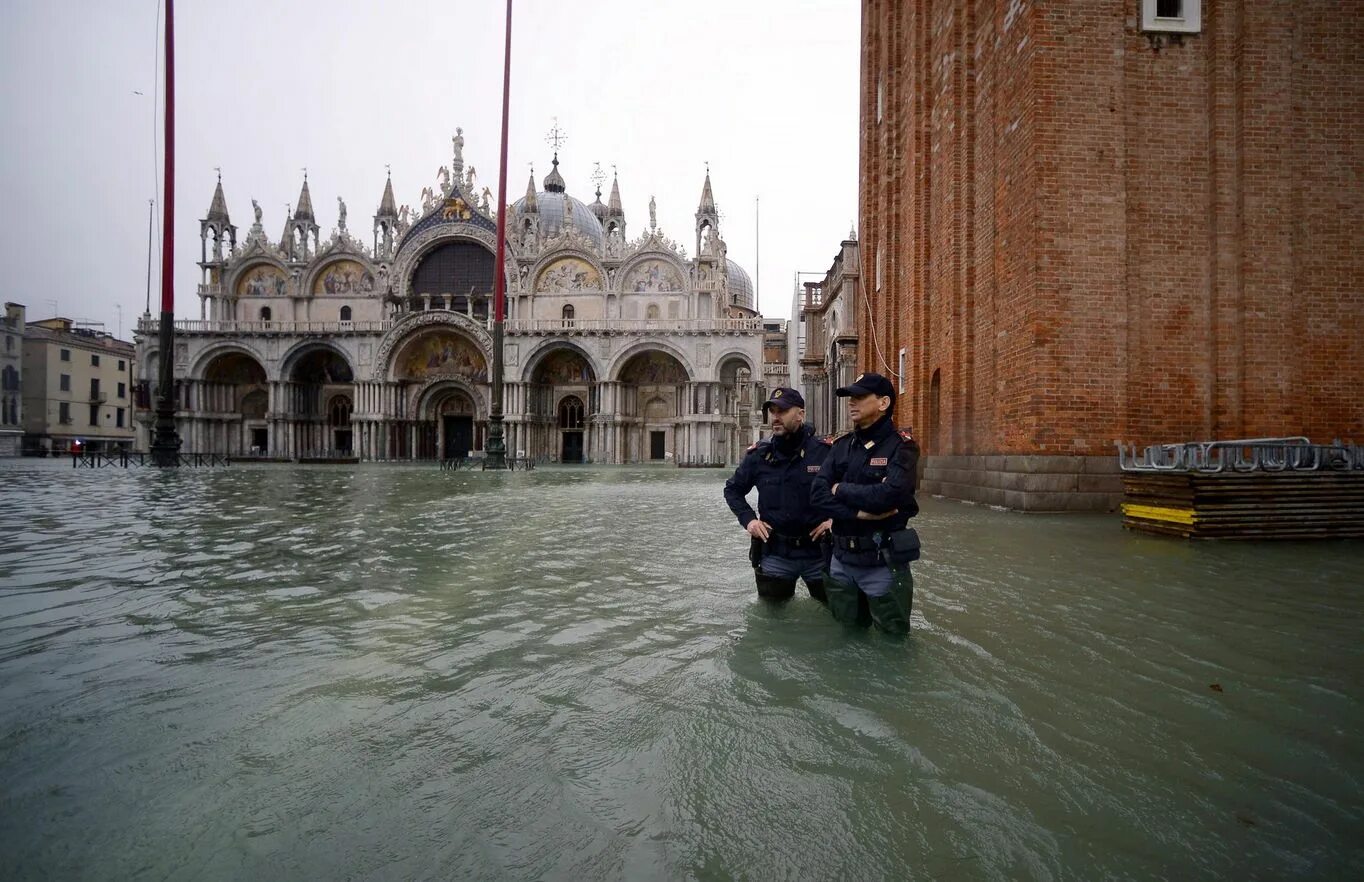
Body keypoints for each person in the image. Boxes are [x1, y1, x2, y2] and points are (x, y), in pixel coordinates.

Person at [811, 372, 920, 634]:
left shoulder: (901, 448)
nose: (851, 402)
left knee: (893, 644)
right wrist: (859, 513)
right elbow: (817, 494)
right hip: (840, 561)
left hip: (881, 562)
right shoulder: (841, 447)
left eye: (859, 397)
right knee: (847, 637)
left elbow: (888, 496)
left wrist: (840, 488)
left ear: (883, 403)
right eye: (850, 397)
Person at [724, 387, 832, 603]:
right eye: (772, 411)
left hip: (819, 553)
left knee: (834, 614)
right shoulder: (759, 455)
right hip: (776, 553)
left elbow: (848, 488)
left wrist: (835, 520)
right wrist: (750, 521)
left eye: (782, 411)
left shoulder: (825, 452)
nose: (775, 417)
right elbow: (732, 490)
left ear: (800, 414)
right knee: (772, 620)